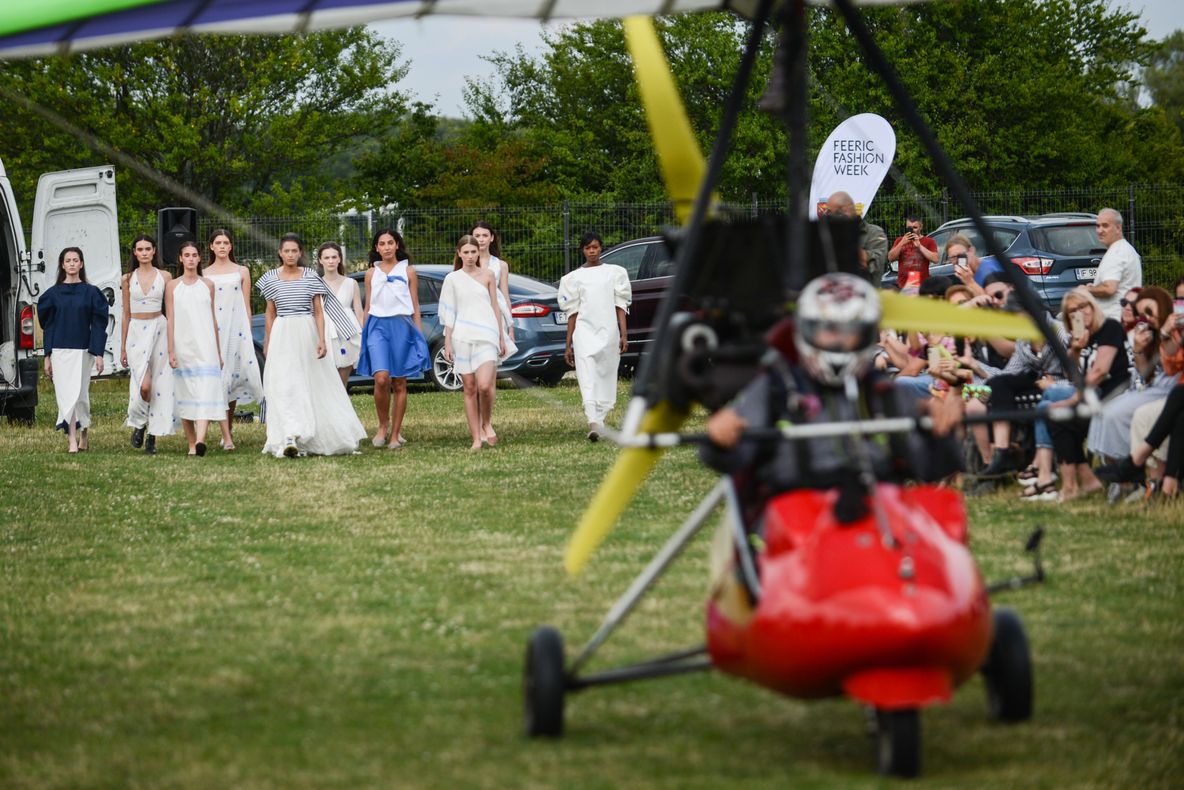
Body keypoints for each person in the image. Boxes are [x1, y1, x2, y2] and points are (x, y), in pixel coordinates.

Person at [703, 273, 964, 519]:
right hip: (795, 521)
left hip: (876, 520)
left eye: (850, 331)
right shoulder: (776, 389)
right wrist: (719, 440)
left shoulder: (884, 393)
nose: (840, 341)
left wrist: (941, 434)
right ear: (806, 331)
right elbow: (735, 460)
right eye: (829, 329)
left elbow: (933, 468)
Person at [256, 233, 366, 458]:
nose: (290, 255)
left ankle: (312, 434)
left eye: (294, 251)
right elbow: (270, 312)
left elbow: (318, 311)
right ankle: (288, 434)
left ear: (300, 253)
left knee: (311, 382)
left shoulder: (310, 276)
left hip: (306, 331)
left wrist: (322, 339)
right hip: (282, 332)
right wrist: (268, 341)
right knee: (284, 383)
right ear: (280, 252)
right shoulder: (269, 278)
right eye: (286, 251)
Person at [1046, 287, 1130, 500]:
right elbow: (1070, 375)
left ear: (1092, 306)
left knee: (1062, 418)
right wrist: (1074, 349)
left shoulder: (1110, 328)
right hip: (1093, 397)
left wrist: (1075, 399)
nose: (1080, 313)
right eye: (1073, 311)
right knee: (1056, 416)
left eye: (1083, 306)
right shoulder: (1081, 338)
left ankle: (1074, 484)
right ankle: (1078, 482)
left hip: (1115, 395)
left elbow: (1101, 371)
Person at [355, 228, 430, 449]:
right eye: (382, 243)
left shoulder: (408, 271)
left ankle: (396, 434)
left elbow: (415, 305)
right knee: (381, 378)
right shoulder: (371, 273)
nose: (386, 247)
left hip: (403, 326)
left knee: (399, 381)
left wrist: (419, 334)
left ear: (397, 245)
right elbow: (368, 306)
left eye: (390, 242)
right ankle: (382, 425)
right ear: (376, 248)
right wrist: (364, 331)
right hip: (377, 326)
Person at [559, 232, 632, 441]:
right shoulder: (573, 278)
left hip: (608, 331)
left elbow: (621, 305)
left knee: (606, 373)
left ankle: (599, 419)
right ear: (582, 250)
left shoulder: (614, 273)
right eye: (587, 248)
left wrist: (623, 334)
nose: (591, 251)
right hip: (584, 333)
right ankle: (592, 421)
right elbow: (572, 313)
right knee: (587, 374)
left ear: (601, 248)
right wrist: (568, 345)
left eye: (595, 247)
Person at [37, 247, 109, 453]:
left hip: (83, 350)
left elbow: (98, 324)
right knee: (65, 394)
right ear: (62, 264)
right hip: (60, 351)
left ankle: (84, 430)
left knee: (80, 394)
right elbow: (48, 326)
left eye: (75, 260)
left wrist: (99, 354)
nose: (71, 264)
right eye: (67, 260)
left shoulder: (91, 293)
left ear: (81, 264)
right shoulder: (51, 295)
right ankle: (71, 440)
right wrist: (47, 355)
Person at [440, 235, 506, 451]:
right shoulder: (452, 278)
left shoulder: (488, 275)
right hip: (462, 336)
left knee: (485, 386)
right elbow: (449, 311)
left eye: (473, 252)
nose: (469, 256)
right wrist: (447, 342)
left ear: (479, 253)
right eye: (465, 252)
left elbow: (496, 307)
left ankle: (486, 422)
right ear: (459, 253)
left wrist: (500, 336)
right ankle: (476, 437)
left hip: (487, 334)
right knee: (469, 387)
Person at [203, 229, 263, 450]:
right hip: (214, 329)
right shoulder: (204, 272)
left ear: (231, 246)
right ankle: (225, 434)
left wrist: (246, 330)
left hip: (236, 329)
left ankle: (228, 430)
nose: (222, 246)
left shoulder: (242, 271)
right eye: (218, 242)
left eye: (225, 242)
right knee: (219, 380)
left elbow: (246, 304)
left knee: (233, 379)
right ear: (211, 246)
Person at [166, 241, 226, 456]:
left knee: (205, 390)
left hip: (206, 344)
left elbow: (212, 317)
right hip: (183, 345)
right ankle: (191, 443)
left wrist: (218, 352)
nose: (191, 259)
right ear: (180, 259)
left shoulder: (208, 284)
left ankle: (201, 440)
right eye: (187, 255)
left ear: (199, 258)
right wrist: (171, 350)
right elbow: (170, 318)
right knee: (186, 392)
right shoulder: (172, 286)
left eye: (194, 255)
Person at [119, 234, 174, 455]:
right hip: (136, 332)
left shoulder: (165, 276)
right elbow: (125, 314)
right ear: (134, 252)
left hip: (159, 328)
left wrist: (172, 344)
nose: (144, 253)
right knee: (143, 385)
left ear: (153, 251)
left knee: (159, 386)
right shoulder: (127, 278)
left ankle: (152, 435)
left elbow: (170, 310)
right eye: (139, 249)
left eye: (147, 249)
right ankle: (139, 422)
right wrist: (122, 346)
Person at [316, 241, 363, 387]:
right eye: (327, 257)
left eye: (334, 257)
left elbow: (359, 312)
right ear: (320, 260)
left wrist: (365, 336)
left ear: (339, 259)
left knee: (342, 383)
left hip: (348, 332)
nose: (330, 261)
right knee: (326, 382)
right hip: (324, 333)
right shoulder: (316, 284)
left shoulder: (351, 283)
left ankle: (343, 409)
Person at [1086, 208, 1141, 321]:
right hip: (1124, 319)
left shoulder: (1116, 253)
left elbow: (1109, 288)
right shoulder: (1127, 249)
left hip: (1113, 320)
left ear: (1118, 228)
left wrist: (1088, 289)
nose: (1100, 230)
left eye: (1105, 226)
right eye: (1098, 226)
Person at [471, 221, 516, 351]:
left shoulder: (501, 265)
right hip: (472, 313)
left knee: (492, 356)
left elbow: (505, 296)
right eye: (477, 235)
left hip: (495, 314)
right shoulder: (466, 262)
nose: (481, 239)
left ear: (491, 238)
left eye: (485, 235)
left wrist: (510, 327)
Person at [825, 191, 887, 280]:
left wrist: (845, 235)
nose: (830, 218)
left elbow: (875, 266)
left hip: (865, 290)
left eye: (832, 213)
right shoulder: (828, 233)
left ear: (845, 211)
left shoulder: (873, 233)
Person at [887, 214, 938, 293]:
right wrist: (901, 243)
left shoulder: (929, 241)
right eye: (909, 228)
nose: (912, 230)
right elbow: (890, 258)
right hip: (903, 285)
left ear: (921, 227)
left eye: (915, 227)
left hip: (922, 286)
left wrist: (920, 246)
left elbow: (935, 259)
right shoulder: (900, 240)